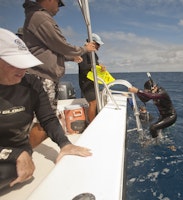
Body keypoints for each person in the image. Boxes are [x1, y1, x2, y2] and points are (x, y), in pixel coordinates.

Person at [0, 28, 92, 189]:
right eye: (15, 63)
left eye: (25, 63)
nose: (23, 70)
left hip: (17, 157)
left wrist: (65, 144)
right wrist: (13, 154)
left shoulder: (31, 83)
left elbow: (48, 118)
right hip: (12, 155)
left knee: (9, 171)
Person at [22, 0, 96, 146]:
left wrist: (70, 56)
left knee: (43, 121)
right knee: (43, 123)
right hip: (42, 78)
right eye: (59, 3)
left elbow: (50, 50)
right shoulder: (40, 17)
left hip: (44, 77)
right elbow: (60, 44)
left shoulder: (37, 17)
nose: (59, 8)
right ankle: (23, 156)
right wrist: (84, 49)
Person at [78, 33, 104, 123]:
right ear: (92, 42)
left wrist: (99, 66)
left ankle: (93, 122)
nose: (99, 46)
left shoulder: (93, 54)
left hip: (92, 82)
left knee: (95, 102)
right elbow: (84, 67)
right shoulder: (84, 52)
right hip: (86, 83)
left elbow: (95, 65)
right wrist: (95, 66)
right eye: (98, 44)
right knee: (92, 103)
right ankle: (92, 125)